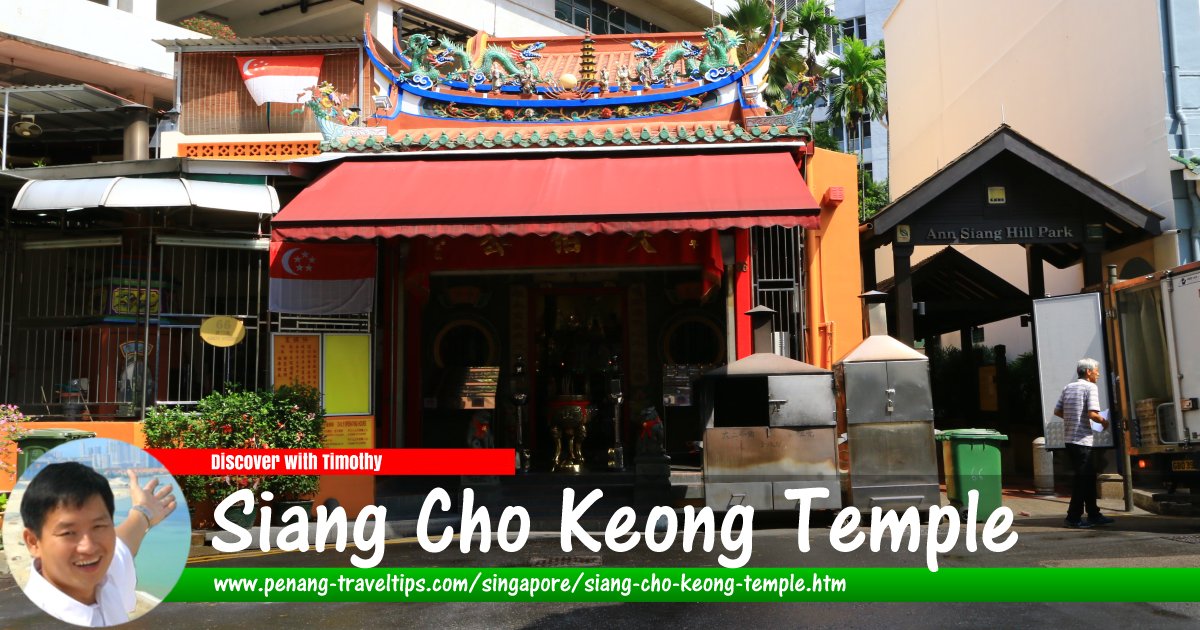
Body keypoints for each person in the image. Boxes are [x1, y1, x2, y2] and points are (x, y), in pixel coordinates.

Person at [19, 462, 177, 627]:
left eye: (98, 526)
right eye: (68, 533)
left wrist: (144, 512)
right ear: (33, 542)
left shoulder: (103, 575)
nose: (88, 547)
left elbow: (123, 543)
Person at [1053, 358, 1116, 529]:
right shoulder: (1090, 387)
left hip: (1070, 441)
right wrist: (1104, 423)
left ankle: (1094, 514)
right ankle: (1073, 518)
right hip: (1082, 441)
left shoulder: (1068, 387)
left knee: (1087, 479)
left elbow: (1057, 411)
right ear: (1088, 372)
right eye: (1097, 370)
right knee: (1082, 480)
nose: (1098, 374)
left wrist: (1072, 419)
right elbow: (1092, 414)